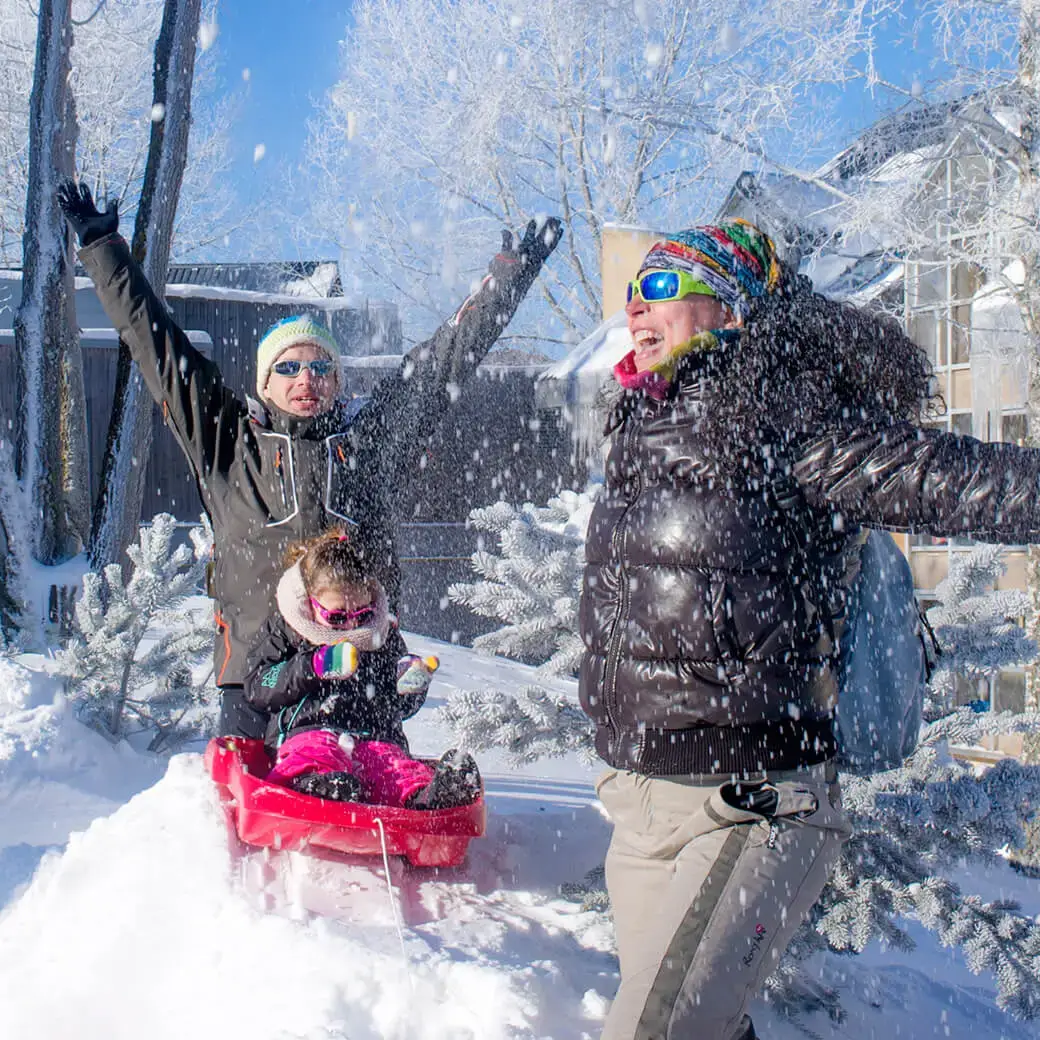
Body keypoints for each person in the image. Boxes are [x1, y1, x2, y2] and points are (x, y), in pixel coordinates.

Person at [580, 219, 1040, 1040]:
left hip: (748, 802)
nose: (635, 309)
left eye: (661, 288)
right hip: (641, 802)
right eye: (631, 292)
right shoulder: (642, 420)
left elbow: (939, 478)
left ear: (732, 308)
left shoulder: (780, 414)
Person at [57, 180, 562, 739]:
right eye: (290, 367)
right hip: (257, 682)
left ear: (338, 383)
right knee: (259, 819)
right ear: (264, 384)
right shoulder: (228, 445)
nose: (307, 379)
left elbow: (443, 360)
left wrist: (509, 280)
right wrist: (104, 247)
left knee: (375, 813)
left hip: (360, 679)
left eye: (321, 367)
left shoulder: (366, 448)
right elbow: (158, 345)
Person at [244, 527, 480, 809]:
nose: (351, 626)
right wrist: (311, 666)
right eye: (337, 616)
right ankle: (315, 786)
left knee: (393, 767)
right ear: (310, 603)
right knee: (317, 753)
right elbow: (259, 686)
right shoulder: (289, 632)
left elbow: (398, 707)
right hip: (309, 728)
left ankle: (427, 798)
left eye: (362, 614)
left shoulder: (382, 635)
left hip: (376, 732)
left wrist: (408, 687)